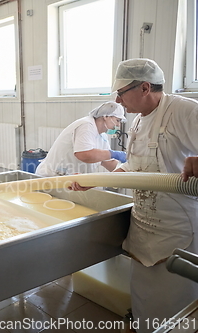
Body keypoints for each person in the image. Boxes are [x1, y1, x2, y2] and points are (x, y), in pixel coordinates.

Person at [73, 58, 198, 333]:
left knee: (174, 301)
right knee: (144, 294)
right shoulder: (139, 121)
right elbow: (133, 168)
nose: (118, 100)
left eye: (121, 93)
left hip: (176, 229)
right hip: (144, 224)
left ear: (144, 88)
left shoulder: (184, 111)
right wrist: (95, 181)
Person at [35, 101, 127, 177]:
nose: (118, 125)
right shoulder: (86, 125)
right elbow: (83, 154)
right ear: (106, 116)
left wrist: (127, 170)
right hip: (52, 176)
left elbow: (108, 162)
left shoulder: (102, 137)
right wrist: (114, 154)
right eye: (117, 120)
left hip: (70, 179)